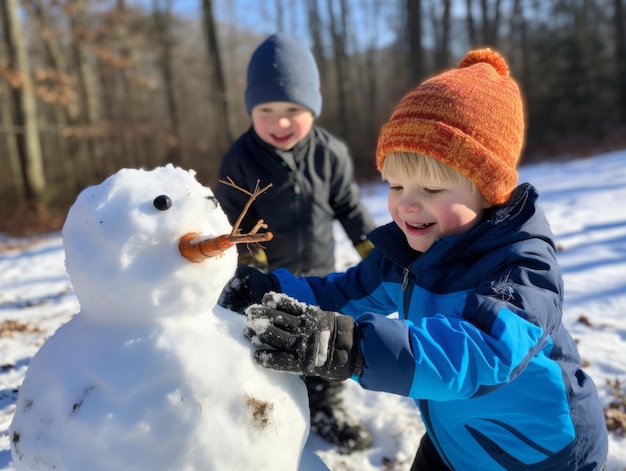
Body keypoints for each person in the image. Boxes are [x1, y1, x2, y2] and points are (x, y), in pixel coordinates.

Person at [219, 48, 609, 470]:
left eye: (432, 190)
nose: (407, 206)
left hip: (539, 454)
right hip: (455, 440)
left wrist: (349, 347)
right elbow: (342, 293)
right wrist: (267, 290)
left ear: (488, 191)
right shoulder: (406, 255)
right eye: (395, 186)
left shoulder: (520, 268)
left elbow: (479, 351)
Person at [215, 32, 376, 452]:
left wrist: (377, 255)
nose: (280, 122)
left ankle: (327, 405)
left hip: (321, 273)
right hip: (272, 278)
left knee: (323, 343)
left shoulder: (330, 154)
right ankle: (269, 406)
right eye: (266, 110)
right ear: (251, 109)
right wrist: (260, 275)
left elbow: (350, 209)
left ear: (313, 108)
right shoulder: (240, 160)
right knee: (274, 342)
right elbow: (239, 222)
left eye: (293, 110)